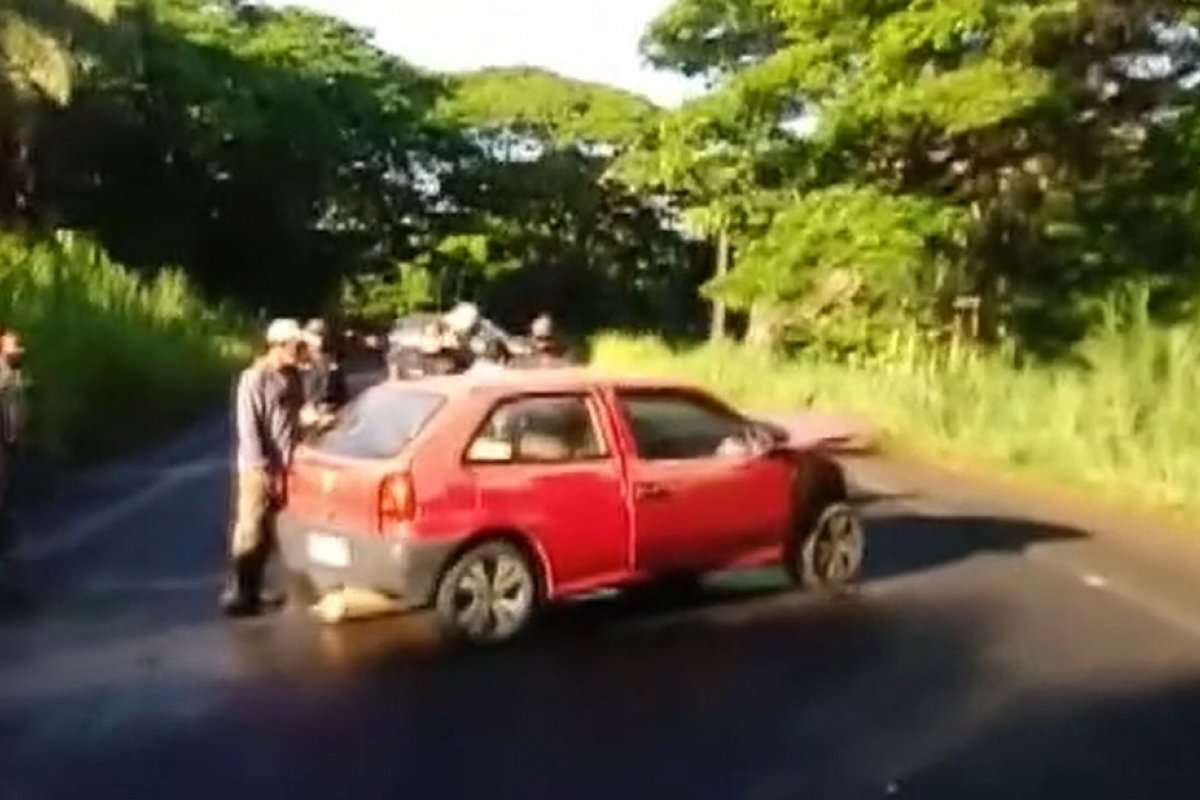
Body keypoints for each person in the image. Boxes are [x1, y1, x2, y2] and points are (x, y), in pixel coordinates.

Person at [222, 318, 305, 617]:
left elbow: (294, 416)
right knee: (251, 529)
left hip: (287, 463)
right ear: (279, 346)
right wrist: (262, 469)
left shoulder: (291, 376)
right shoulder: (254, 379)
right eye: (296, 345)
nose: (301, 350)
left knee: (273, 532)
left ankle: (257, 590)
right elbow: (249, 430)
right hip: (258, 469)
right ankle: (241, 594)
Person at [0, 328, 27, 557]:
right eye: (13, 346)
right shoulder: (4, 374)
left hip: (9, 438)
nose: (18, 351)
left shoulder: (12, 372)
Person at [299, 318, 348, 419]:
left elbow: (341, 390)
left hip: (327, 409)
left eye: (321, 335)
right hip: (306, 411)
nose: (318, 340)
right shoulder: (299, 362)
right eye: (314, 334)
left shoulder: (330, 360)